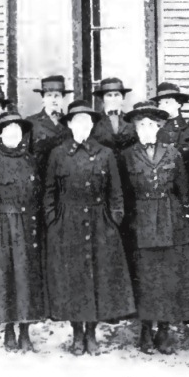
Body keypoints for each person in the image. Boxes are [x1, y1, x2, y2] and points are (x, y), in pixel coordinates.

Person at [43, 101, 135, 356]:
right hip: (67, 223)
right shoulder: (58, 154)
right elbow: (49, 191)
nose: (82, 126)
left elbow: (116, 193)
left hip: (99, 223)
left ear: (92, 125)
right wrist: (53, 220)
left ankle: (92, 333)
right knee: (73, 280)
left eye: (87, 121)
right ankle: (77, 334)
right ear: (70, 125)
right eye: (77, 121)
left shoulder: (105, 154)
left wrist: (113, 219)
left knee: (97, 279)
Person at [118, 102, 189, 355]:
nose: (145, 130)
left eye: (150, 125)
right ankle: (145, 329)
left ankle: (163, 330)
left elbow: (183, 189)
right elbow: (123, 193)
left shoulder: (172, 154)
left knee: (166, 279)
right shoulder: (127, 155)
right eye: (141, 125)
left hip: (169, 221)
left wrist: (183, 218)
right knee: (145, 278)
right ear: (135, 129)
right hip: (140, 222)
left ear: (158, 127)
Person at [0, 112, 46, 352]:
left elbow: (38, 195)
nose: (13, 135)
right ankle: (8, 329)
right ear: (0, 135)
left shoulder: (30, 160)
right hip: (5, 226)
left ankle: (25, 331)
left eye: (17, 131)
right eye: (8, 131)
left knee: (26, 280)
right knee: (5, 279)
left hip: (29, 226)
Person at [24, 75, 71, 173]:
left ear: (62, 98)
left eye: (57, 96)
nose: (53, 99)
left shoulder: (70, 122)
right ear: (43, 99)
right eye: (49, 95)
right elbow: (25, 156)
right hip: (41, 176)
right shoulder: (31, 122)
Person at [89, 77, 136, 151]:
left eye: (117, 95)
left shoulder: (131, 120)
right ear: (102, 98)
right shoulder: (94, 121)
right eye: (109, 95)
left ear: (122, 97)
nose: (113, 99)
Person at [150, 82, 189, 161]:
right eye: (160, 103)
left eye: (167, 102)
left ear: (179, 104)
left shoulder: (185, 128)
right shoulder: (154, 125)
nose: (162, 106)